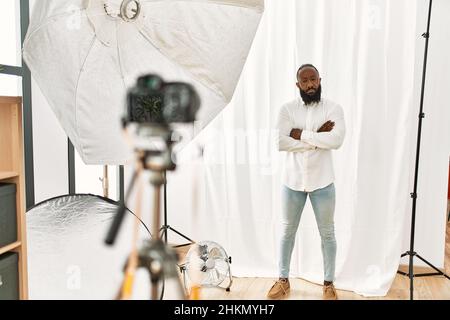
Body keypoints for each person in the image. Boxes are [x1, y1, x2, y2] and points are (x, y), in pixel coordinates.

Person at [267, 64, 346, 300]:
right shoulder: (287, 110)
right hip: (292, 182)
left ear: (320, 80)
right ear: (297, 85)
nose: (310, 85)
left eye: (314, 80)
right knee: (287, 232)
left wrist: (301, 134)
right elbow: (280, 142)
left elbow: (336, 140)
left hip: (323, 182)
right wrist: (317, 138)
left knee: (328, 234)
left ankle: (328, 283)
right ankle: (283, 281)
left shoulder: (333, 108)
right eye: (305, 81)